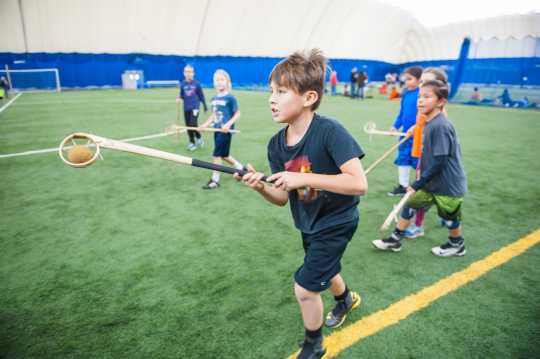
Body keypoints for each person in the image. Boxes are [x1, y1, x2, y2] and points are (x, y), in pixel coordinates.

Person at [236, 49, 368, 359]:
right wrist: (260, 187)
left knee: (306, 287)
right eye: (271, 91)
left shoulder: (330, 132)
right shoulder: (276, 145)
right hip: (308, 220)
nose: (272, 99)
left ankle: (314, 345)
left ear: (309, 97)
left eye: (281, 92)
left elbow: (358, 183)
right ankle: (345, 299)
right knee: (323, 267)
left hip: (337, 221)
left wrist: (304, 179)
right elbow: (282, 198)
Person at [373, 79, 467, 257]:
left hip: (447, 184)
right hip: (432, 181)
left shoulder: (441, 126)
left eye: (427, 97)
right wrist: (415, 130)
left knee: (450, 216)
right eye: (420, 96)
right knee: (410, 205)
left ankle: (457, 244)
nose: (421, 101)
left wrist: (418, 183)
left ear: (441, 102)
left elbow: (441, 161)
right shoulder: (430, 122)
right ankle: (395, 240)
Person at [404, 67, 448, 239]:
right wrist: (414, 128)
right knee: (435, 190)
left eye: (426, 81)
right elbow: (422, 122)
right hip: (423, 152)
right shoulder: (424, 104)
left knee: (423, 190)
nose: (422, 85)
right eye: (421, 81)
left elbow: (435, 130)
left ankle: (418, 226)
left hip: (431, 156)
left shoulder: (438, 111)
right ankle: (446, 214)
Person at [200, 69, 244, 189]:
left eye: (221, 79)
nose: (219, 82)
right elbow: (214, 116)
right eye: (217, 80)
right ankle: (241, 168)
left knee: (216, 155)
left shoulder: (230, 98)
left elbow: (237, 114)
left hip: (225, 131)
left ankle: (215, 180)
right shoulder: (214, 98)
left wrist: (228, 124)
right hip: (216, 130)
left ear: (227, 81)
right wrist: (205, 125)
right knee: (224, 155)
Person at [388, 66, 422, 196]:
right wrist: (395, 126)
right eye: (405, 79)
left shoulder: (421, 93)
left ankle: (420, 187)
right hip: (405, 135)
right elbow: (402, 113)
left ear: (419, 80)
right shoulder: (406, 93)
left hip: (418, 135)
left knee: (418, 162)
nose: (407, 81)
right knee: (403, 158)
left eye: (410, 79)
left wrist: (417, 128)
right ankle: (403, 186)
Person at [176, 65, 208, 151]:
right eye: (186, 72)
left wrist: (205, 106)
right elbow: (182, 95)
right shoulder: (182, 84)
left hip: (195, 107)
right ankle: (192, 143)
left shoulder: (197, 84)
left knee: (193, 124)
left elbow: (201, 96)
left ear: (193, 73)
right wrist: (179, 98)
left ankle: (199, 138)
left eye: (190, 72)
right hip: (186, 108)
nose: (188, 73)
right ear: (184, 73)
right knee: (188, 126)